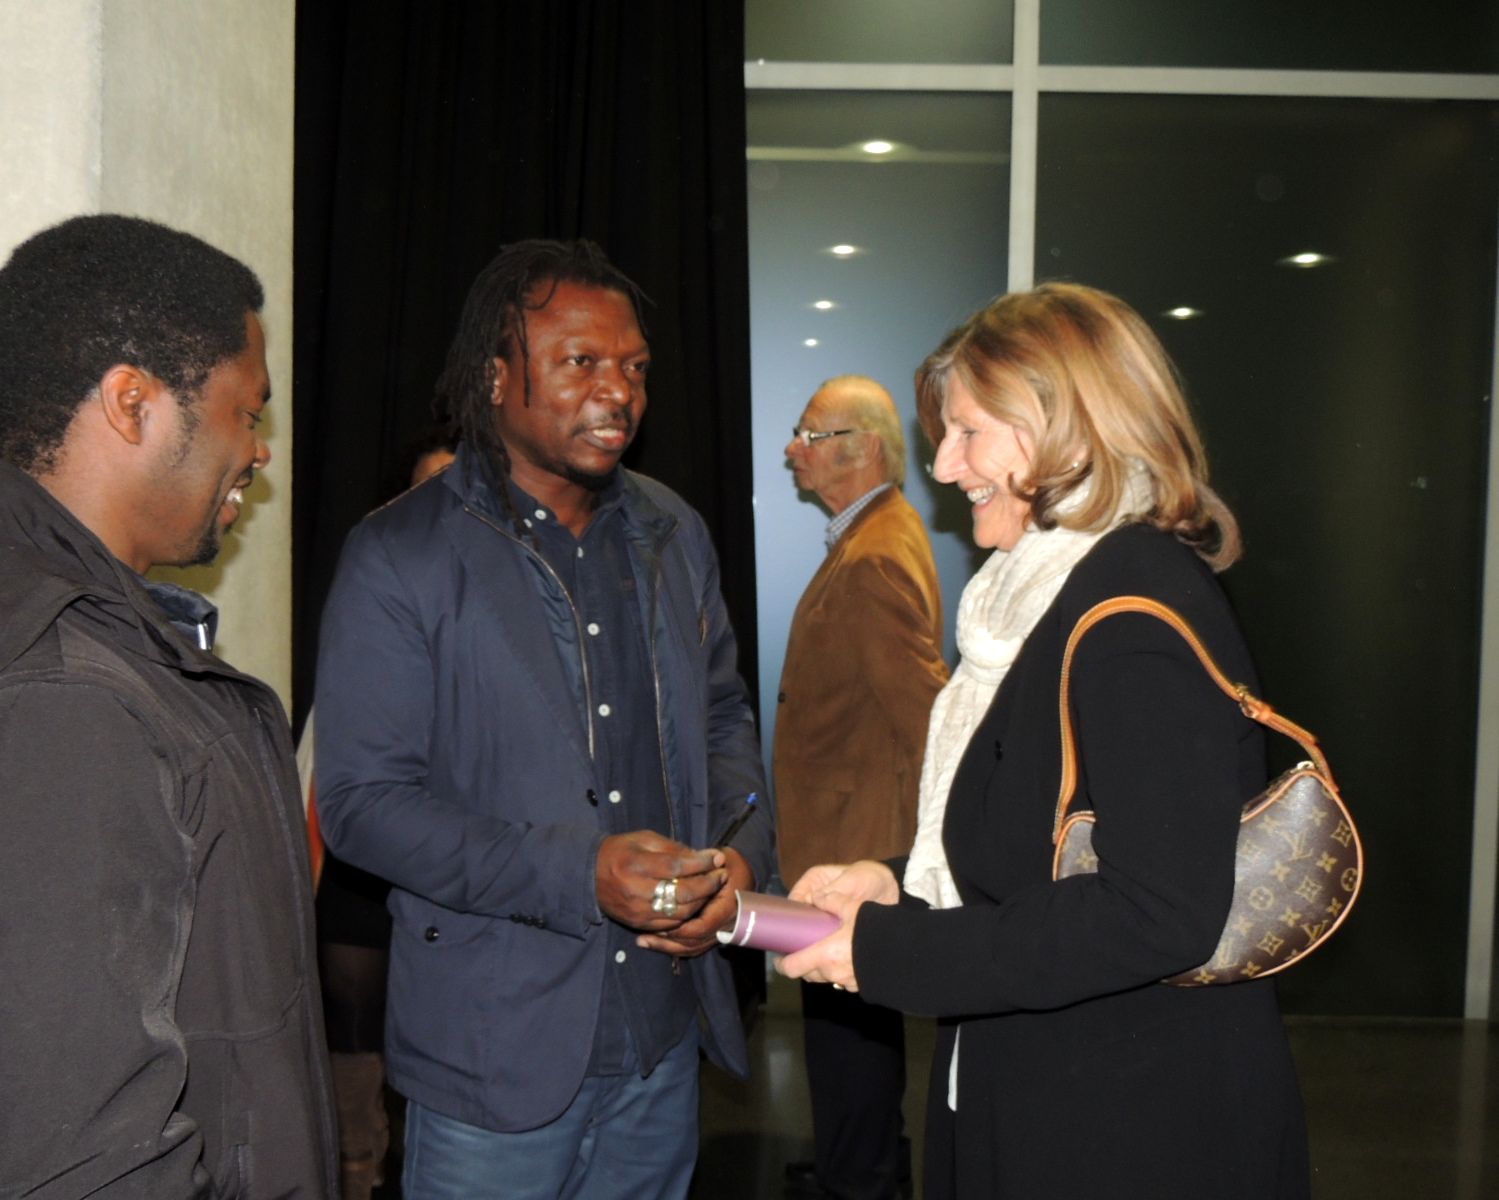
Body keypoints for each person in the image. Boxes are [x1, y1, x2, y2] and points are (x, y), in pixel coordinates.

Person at [780, 283, 1310, 1198]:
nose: (944, 465)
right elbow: (1042, 844)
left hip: (1132, 1132)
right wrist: (897, 881)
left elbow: (1157, 909)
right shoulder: (1046, 598)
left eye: (969, 431)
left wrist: (890, 950)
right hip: (1061, 1097)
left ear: (1066, 429)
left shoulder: (1129, 610)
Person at [314, 239, 772, 1200]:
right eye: (580, 362)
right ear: (494, 377)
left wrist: (739, 855)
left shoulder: (674, 533)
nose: (618, 393)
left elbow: (724, 718)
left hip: (662, 1037)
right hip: (493, 1058)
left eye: (635, 368)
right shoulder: (399, 553)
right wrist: (579, 873)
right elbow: (361, 806)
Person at [0, 215, 337, 1198]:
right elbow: (84, 1167)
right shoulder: (55, 712)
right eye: (246, 413)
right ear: (133, 403)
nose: (258, 452)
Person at [776, 376, 949, 1200]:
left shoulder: (874, 555)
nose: (792, 450)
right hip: (852, 830)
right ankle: (864, 1162)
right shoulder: (875, 534)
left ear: (864, 448)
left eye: (811, 435)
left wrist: (935, 843)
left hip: (854, 840)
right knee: (852, 1033)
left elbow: (928, 714)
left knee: (848, 1035)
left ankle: (861, 1180)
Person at [303, 419, 462, 1200]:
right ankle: (357, 1170)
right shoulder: (372, 576)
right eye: (425, 490)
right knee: (353, 1029)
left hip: (464, 864)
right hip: (364, 858)